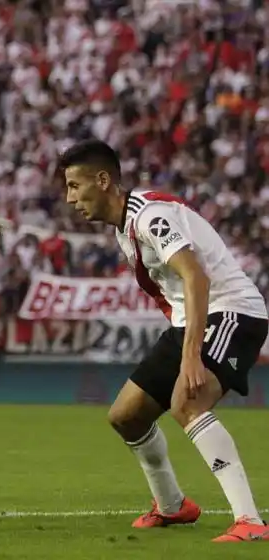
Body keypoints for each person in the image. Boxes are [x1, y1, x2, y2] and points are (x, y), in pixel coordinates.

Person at [61, 139, 269, 543]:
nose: (70, 198)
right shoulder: (125, 229)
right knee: (126, 416)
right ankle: (173, 507)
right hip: (190, 319)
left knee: (187, 402)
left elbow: (196, 276)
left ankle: (251, 522)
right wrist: (181, 342)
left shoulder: (150, 215)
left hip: (232, 312)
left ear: (103, 180)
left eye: (74, 185)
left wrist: (191, 356)